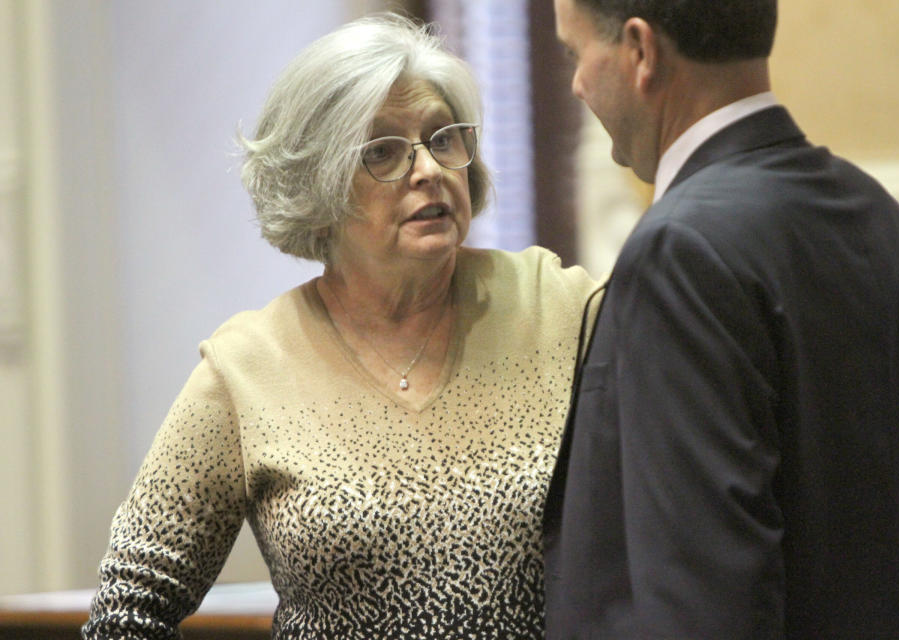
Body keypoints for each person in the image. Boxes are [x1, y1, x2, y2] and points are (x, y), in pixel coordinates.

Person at [82, 13, 596, 639]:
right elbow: (127, 610)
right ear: (318, 184)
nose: (428, 169)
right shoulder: (248, 367)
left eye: (442, 138)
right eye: (382, 151)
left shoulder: (561, 308)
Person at [544, 0, 899, 638]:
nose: (574, 83)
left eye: (577, 54)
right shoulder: (879, 216)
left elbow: (703, 603)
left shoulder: (679, 250)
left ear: (640, 50)